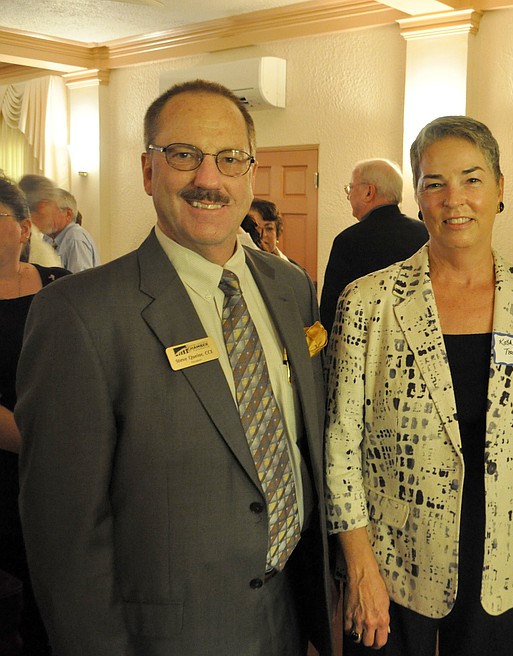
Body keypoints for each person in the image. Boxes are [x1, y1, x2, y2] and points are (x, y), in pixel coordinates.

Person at [15, 80, 334, 656]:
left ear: (251, 173)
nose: (209, 180)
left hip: (288, 616)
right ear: (147, 171)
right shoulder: (79, 315)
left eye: (230, 159)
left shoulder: (291, 288)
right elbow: (64, 536)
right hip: (168, 636)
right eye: (183, 156)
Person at [325, 116, 513, 656]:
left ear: (501, 188)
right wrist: (360, 568)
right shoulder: (369, 304)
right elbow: (341, 445)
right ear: (416, 195)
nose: (453, 199)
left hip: (505, 565)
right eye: (434, 183)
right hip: (394, 566)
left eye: (472, 179)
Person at [0, 173, 70, 655]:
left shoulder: (61, 288)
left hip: (66, 473)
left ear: (25, 228)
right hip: (10, 471)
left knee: (59, 601)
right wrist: (49, 444)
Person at [319, 158, 428, 332]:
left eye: (350, 188)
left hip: (364, 345)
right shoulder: (426, 234)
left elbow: (332, 310)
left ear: (369, 192)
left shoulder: (348, 241)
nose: (348, 195)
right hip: (418, 338)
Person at [18, 176, 100, 272]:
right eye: (53, 206)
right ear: (43, 206)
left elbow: (80, 281)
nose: (53, 213)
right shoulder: (40, 242)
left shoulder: (75, 237)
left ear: (68, 214)